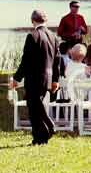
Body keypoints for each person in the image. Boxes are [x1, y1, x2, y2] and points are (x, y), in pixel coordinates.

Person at [12, 9, 60, 145]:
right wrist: (55, 79)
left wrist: (17, 78)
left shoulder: (32, 36)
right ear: (45, 20)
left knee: (34, 108)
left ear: (32, 21)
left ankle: (49, 126)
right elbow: (57, 60)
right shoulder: (53, 36)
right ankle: (40, 138)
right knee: (36, 107)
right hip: (48, 78)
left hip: (34, 78)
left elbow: (26, 60)